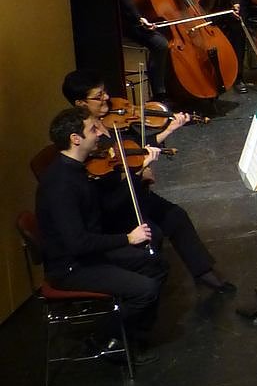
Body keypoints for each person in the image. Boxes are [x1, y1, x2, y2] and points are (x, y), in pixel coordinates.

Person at [62, 70, 234, 293]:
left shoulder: (111, 121)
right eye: (98, 96)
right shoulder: (83, 137)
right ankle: (148, 287)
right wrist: (139, 171)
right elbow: (104, 183)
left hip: (134, 191)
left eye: (104, 92)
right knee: (154, 233)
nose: (107, 98)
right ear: (80, 103)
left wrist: (169, 129)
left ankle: (203, 272)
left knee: (176, 215)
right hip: (115, 204)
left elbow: (135, 149)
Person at [37, 107, 166, 364]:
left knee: (155, 264)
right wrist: (127, 239)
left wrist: (135, 176)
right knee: (146, 289)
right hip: (71, 267)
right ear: (75, 138)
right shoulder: (61, 185)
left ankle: (131, 335)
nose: (100, 133)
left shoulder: (78, 169)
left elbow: (103, 209)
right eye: (93, 129)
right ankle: (104, 338)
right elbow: (78, 243)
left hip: (88, 255)